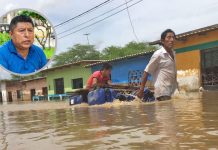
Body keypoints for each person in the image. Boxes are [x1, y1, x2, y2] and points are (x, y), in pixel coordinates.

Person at [137, 29, 178, 101]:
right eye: (169, 37)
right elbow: (146, 71)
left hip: (172, 90)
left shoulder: (173, 53)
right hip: (162, 91)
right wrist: (141, 89)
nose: (172, 39)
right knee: (166, 111)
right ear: (162, 41)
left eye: (173, 37)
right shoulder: (158, 54)